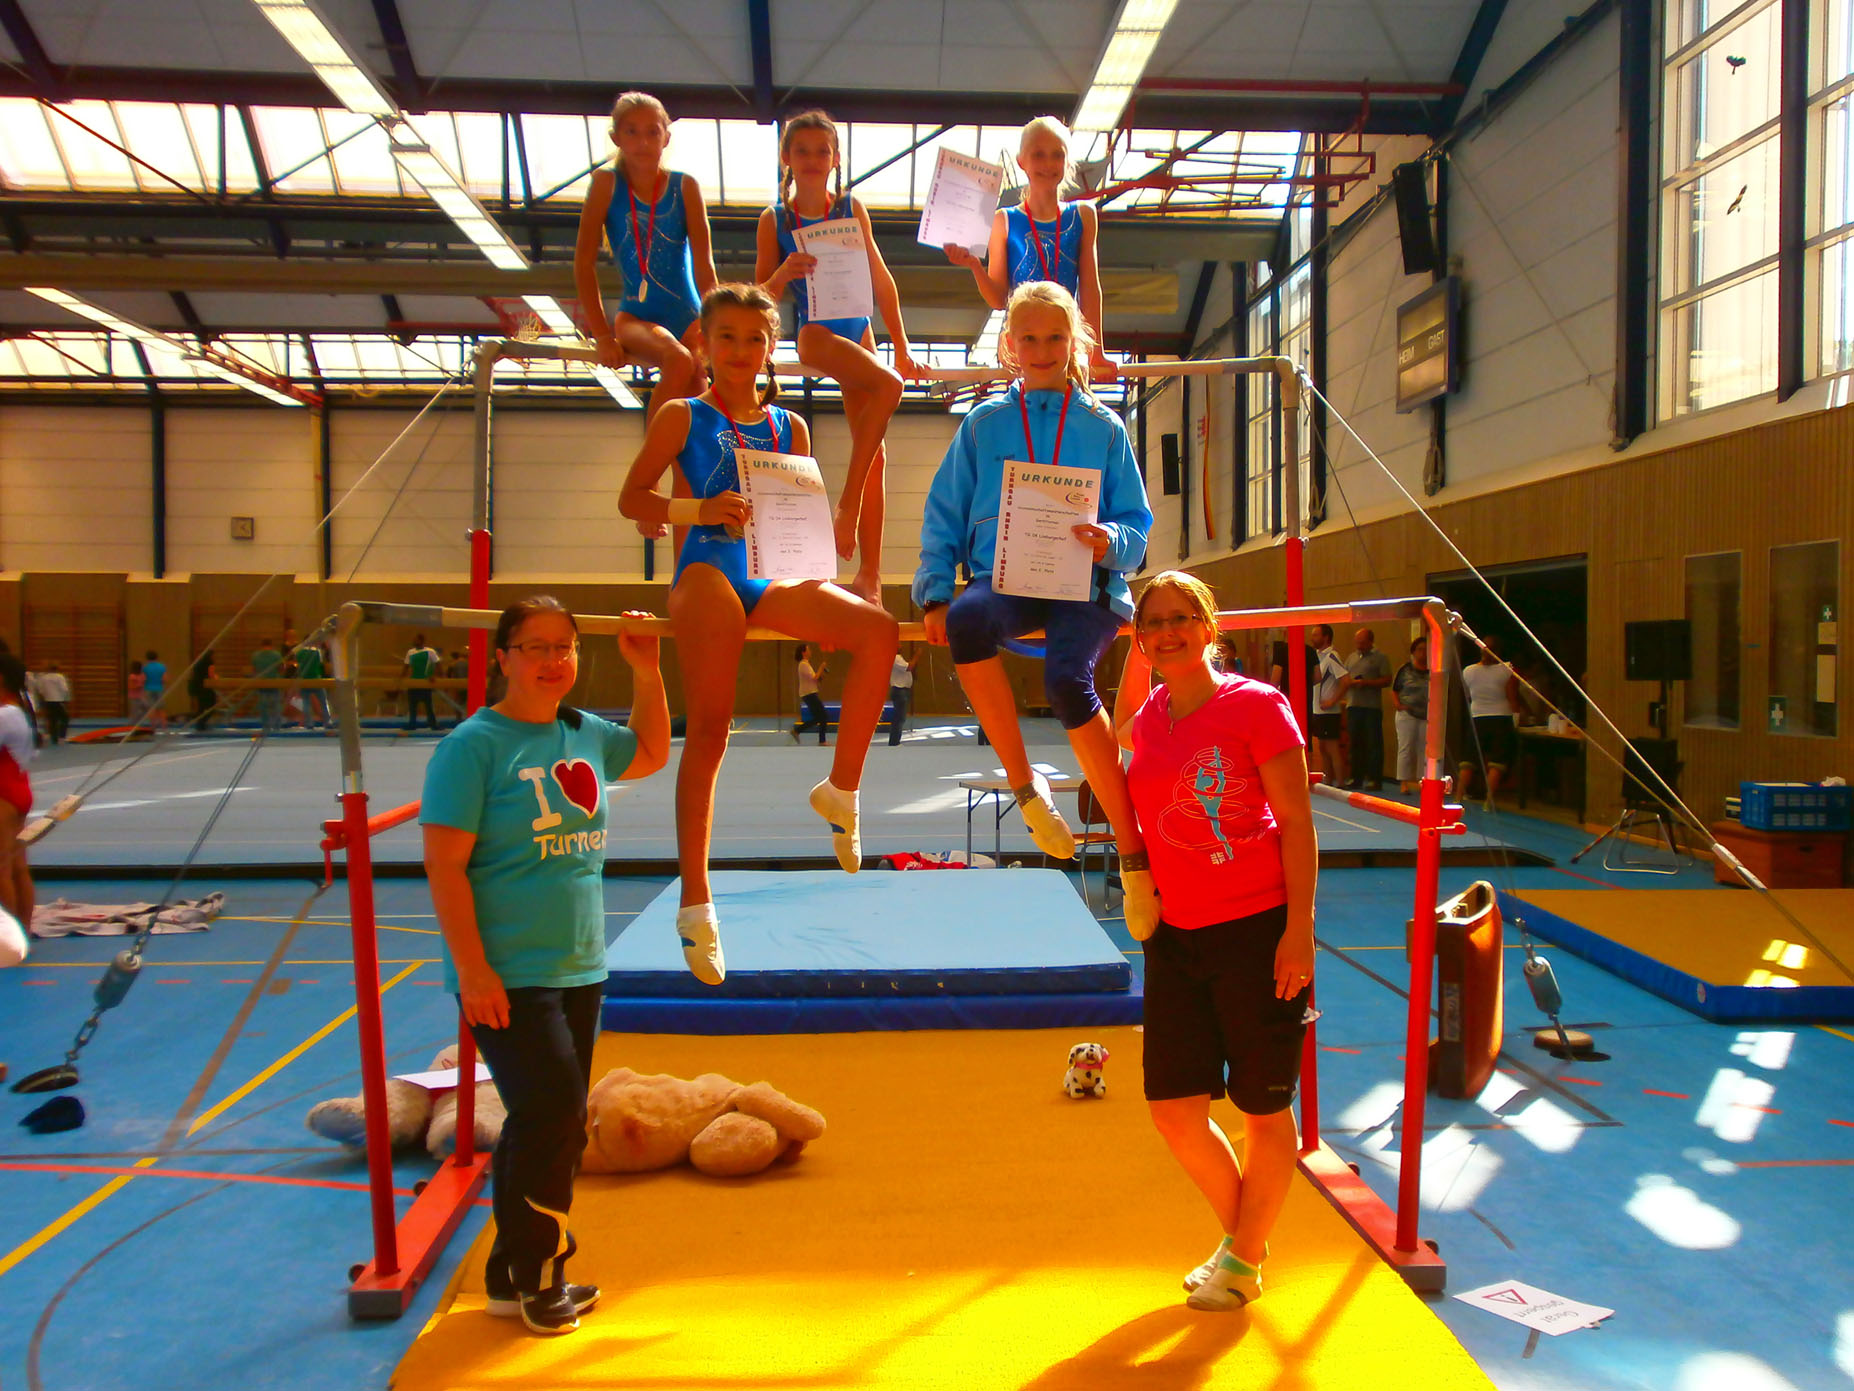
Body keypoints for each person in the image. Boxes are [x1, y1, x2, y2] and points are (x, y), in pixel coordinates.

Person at [619, 283, 899, 978]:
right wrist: (698, 509)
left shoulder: (789, 427)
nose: (741, 350)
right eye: (727, 337)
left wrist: (824, 576)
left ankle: (841, 789)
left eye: (754, 339)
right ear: (705, 344)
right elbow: (632, 498)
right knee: (711, 733)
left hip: (769, 574)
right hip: (706, 574)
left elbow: (796, 518)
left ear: (771, 347)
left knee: (879, 631)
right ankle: (695, 903)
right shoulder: (682, 414)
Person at [421, 595, 669, 1337]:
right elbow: (444, 865)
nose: (554, 660)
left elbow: (651, 753)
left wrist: (647, 671)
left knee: (543, 1119)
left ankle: (509, 1275)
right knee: (554, 1117)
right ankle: (538, 1275)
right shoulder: (473, 746)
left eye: (565, 646)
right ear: (504, 657)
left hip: (578, 962)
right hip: (508, 970)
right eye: (536, 647)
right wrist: (473, 970)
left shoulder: (582, 732)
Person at [913, 279, 1159, 935]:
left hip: (1086, 585)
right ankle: (1027, 790)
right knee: (967, 621)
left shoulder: (1104, 427)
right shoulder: (983, 424)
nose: (1043, 349)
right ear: (1010, 345)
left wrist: (1111, 540)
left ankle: (1133, 853)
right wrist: (935, 589)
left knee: (1067, 681)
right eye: (1030, 338)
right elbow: (944, 511)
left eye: (1056, 337)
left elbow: (1137, 524)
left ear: (1074, 342)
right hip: (1008, 577)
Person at [1112, 570, 1317, 1313]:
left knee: (1263, 1109)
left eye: (1181, 618)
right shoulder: (1149, 715)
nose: (1168, 632)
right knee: (1173, 1107)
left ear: (1209, 627)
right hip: (1175, 933)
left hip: (1256, 928)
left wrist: (1299, 931)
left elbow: (1297, 822)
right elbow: (1113, 729)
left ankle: (1243, 1256)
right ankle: (1245, 1243)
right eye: (1153, 623)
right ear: (1141, 640)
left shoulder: (1256, 705)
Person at [757, 110, 918, 603]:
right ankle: (846, 506)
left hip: (860, 330)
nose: (812, 159)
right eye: (801, 151)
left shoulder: (850, 207)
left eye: (821, 151)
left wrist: (902, 343)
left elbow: (880, 277)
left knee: (877, 452)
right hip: (816, 333)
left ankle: (870, 574)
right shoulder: (775, 219)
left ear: (836, 159)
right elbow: (757, 300)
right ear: (786, 158)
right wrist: (784, 273)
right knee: (889, 385)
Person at [575, 90, 717, 426]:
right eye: (632, 131)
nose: (643, 141)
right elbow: (582, 264)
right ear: (616, 137)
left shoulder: (685, 186)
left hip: (689, 314)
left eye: (652, 132)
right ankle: (650, 455)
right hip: (636, 317)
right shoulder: (606, 184)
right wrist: (602, 336)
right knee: (679, 360)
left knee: (700, 402)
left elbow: (704, 267)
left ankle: (689, 461)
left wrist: (718, 327)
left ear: (666, 137)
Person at [942, 116, 1113, 379]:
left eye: (1057, 155)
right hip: (1022, 345)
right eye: (1038, 154)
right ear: (1021, 161)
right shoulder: (1003, 220)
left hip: (1064, 342)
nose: (1048, 163)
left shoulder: (1083, 215)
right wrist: (975, 266)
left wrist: (1096, 352)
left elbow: (1090, 288)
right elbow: (999, 300)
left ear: (1068, 161)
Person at [0, 655, 38, 929]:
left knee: (2, 869)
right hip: (19, 788)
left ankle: (9, 937)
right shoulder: (19, 710)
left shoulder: (4, 714)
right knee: (17, 867)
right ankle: (23, 931)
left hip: (4, 793)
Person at [1460, 636, 1520, 804]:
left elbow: (1469, 695)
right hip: (1501, 718)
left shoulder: (1468, 671)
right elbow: (1512, 697)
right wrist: (1516, 719)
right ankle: (1488, 801)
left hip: (1478, 716)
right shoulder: (1507, 669)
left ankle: (1457, 798)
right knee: (1497, 761)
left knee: (1469, 760)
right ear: (1498, 652)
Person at [1338, 627, 1391, 791]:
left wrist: (1366, 683)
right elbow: (1344, 677)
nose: (1359, 645)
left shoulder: (1380, 658)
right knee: (1355, 742)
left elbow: (1387, 680)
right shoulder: (1351, 657)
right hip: (1353, 705)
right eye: (1357, 642)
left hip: (1371, 707)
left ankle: (1374, 779)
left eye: (1362, 642)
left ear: (1370, 642)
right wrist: (1350, 682)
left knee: (1373, 743)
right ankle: (1356, 777)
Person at [1308, 625, 1348, 786]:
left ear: (1326, 637)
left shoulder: (1332, 656)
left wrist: (1333, 700)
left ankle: (1340, 782)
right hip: (1318, 710)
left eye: (1316, 635)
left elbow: (1346, 680)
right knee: (1323, 748)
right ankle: (1328, 780)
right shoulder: (1317, 656)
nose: (1312, 638)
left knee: (1332, 748)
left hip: (1329, 712)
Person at [1391, 634, 1431, 795]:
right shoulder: (1405, 669)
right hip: (1407, 712)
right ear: (1413, 652)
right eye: (1420, 649)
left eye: (1426, 650)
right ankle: (1404, 782)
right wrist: (1398, 705)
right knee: (1406, 748)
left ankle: (1423, 781)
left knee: (1424, 749)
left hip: (1427, 714)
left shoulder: (1433, 671)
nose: (1423, 653)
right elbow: (1395, 689)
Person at [792, 644, 829, 746]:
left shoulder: (806, 664)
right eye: (808, 650)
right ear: (803, 652)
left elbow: (815, 679)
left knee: (819, 717)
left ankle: (797, 731)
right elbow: (814, 677)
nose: (810, 651)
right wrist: (821, 667)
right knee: (823, 716)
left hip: (810, 693)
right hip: (809, 694)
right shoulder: (803, 664)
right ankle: (822, 741)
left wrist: (821, 675)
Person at [403, 633, 441, 732]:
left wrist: (434, 676)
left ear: (421, 641)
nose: (414, 641)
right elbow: (406, 667)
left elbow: (438, 664)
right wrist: (401, 678)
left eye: (416, 639)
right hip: (414, 682)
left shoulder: (430, 651)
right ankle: (412, 724)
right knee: (412, 705)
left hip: (425, 682)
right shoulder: (410, 652)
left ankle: (433, 724)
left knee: (428, 706)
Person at [294, 636, 330, 731]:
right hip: (315, 679)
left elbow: (297, 665)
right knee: (323, 701)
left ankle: (309, 723)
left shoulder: (299, 652)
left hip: (304, 679)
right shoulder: (316, 652)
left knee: (306, 702)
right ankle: (327, 721)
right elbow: (320, 665)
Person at [887, 644, 920, 745]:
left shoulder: (899, 658)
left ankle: (895, 741)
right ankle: (894, 742)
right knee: (899, 718)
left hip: (902, 690)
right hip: (899, 690)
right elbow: (909, 667)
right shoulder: (895, 658)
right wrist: (917, 655)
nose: (901, 645)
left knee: (900, 717)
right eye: (899, 644)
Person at [250, 639, 284, 734]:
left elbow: (254, 670)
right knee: (275, 705)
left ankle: (266, 726)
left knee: (263, 705)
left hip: (262, 683)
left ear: (261, 645)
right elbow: (281, 668)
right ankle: (277, 726)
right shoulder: (276, 655)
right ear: (271, 645)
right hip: (273, 682)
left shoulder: (255, 655)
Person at [36, 662, 70, 745]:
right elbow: (64, 689)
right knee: (65, 718)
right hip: (58, 701)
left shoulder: (43, 678)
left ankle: (54, 738)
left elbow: (40, 690)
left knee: (52, 719)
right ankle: (62, 737)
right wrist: (64, 698)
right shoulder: (59, 677)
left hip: (48, 701)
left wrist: (46, 696)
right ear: (57, 669)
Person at [189, 650, 218, 731]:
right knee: (212, 706)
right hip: (206, 687)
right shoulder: (209, 663)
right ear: (210, 656)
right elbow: (211, 675)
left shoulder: (198, 663)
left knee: (201, 707)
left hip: (197, 687)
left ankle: (200, 724)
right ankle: (201, 723)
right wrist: (216, 677)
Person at [142, 650, 168, 730]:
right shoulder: (161, 667)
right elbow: (165, 679)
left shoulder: (145, 667)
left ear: (147, 658)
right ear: (156, 657)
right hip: (159, 688)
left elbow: (143, 679)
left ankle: (152, 726)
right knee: (161, 709)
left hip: (149, 688)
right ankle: (164, 726)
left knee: (151, 708)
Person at [127, 659, 147, 724]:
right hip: (134, 696)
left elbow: (144, 683)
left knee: (146, 707)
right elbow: (130, 686)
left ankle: (137, 720)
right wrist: (138, 686)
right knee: (134, 712)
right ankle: (132, 724)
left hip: (141, 696)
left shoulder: (142, 675)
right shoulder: (132, 676)